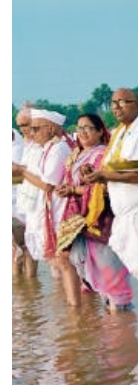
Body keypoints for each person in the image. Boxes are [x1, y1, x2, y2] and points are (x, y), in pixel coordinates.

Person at [84, 88, 138, 318]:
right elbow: (111, 169)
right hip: (124, 212)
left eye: (123, 102)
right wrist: (96, 174)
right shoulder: (119, 134)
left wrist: (105, 176)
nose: (117, 107)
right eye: (114, 103)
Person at [53, 113, 134, 312]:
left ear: (100, 131)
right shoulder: (75, 155)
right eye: (79, 128)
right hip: (76, 216)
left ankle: (122, 313)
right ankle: (110, 314)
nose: (82, 132)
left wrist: (72, 190)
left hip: (99, 217)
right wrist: (66, 189)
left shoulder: (103, 155)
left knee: (107, 263)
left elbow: (104, 188)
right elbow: (70, 183)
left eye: (88, 128)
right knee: (82, 261)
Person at [13, 109, 75, 302]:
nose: (30, 132)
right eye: (26, 127)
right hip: (41, 208)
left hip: (55, 209)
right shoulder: (45, 147)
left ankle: (74, 308)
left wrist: (21, 172)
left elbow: (48, 184)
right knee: (53, 260)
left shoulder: (58, 149)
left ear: (50, 128)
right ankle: (66, 306)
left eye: (34, 128)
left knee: (62, 261)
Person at [13, 105, 39, 277]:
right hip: (15, 203)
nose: (24, 129)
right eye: (21, 125)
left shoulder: (22, 144)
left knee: (27, 246)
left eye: (27, 124)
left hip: (24, 202)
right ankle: (24, 291)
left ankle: (30, 289)